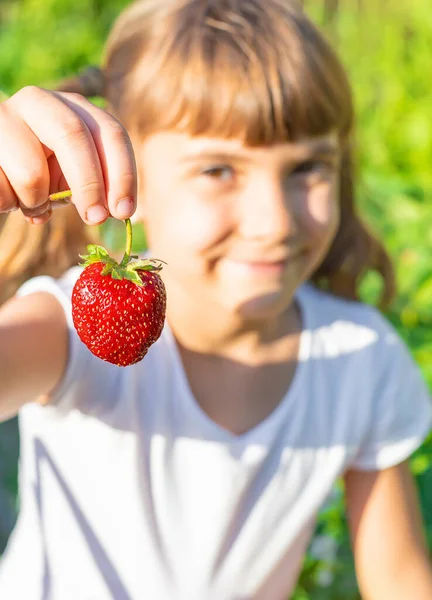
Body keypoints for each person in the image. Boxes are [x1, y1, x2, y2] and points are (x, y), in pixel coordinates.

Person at [0, 1, 431, 598]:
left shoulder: (362, 359)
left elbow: (401, 580)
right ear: (123, 174)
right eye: (218, 171)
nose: (274, 221)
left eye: (307, 167)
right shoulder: (67, 331)